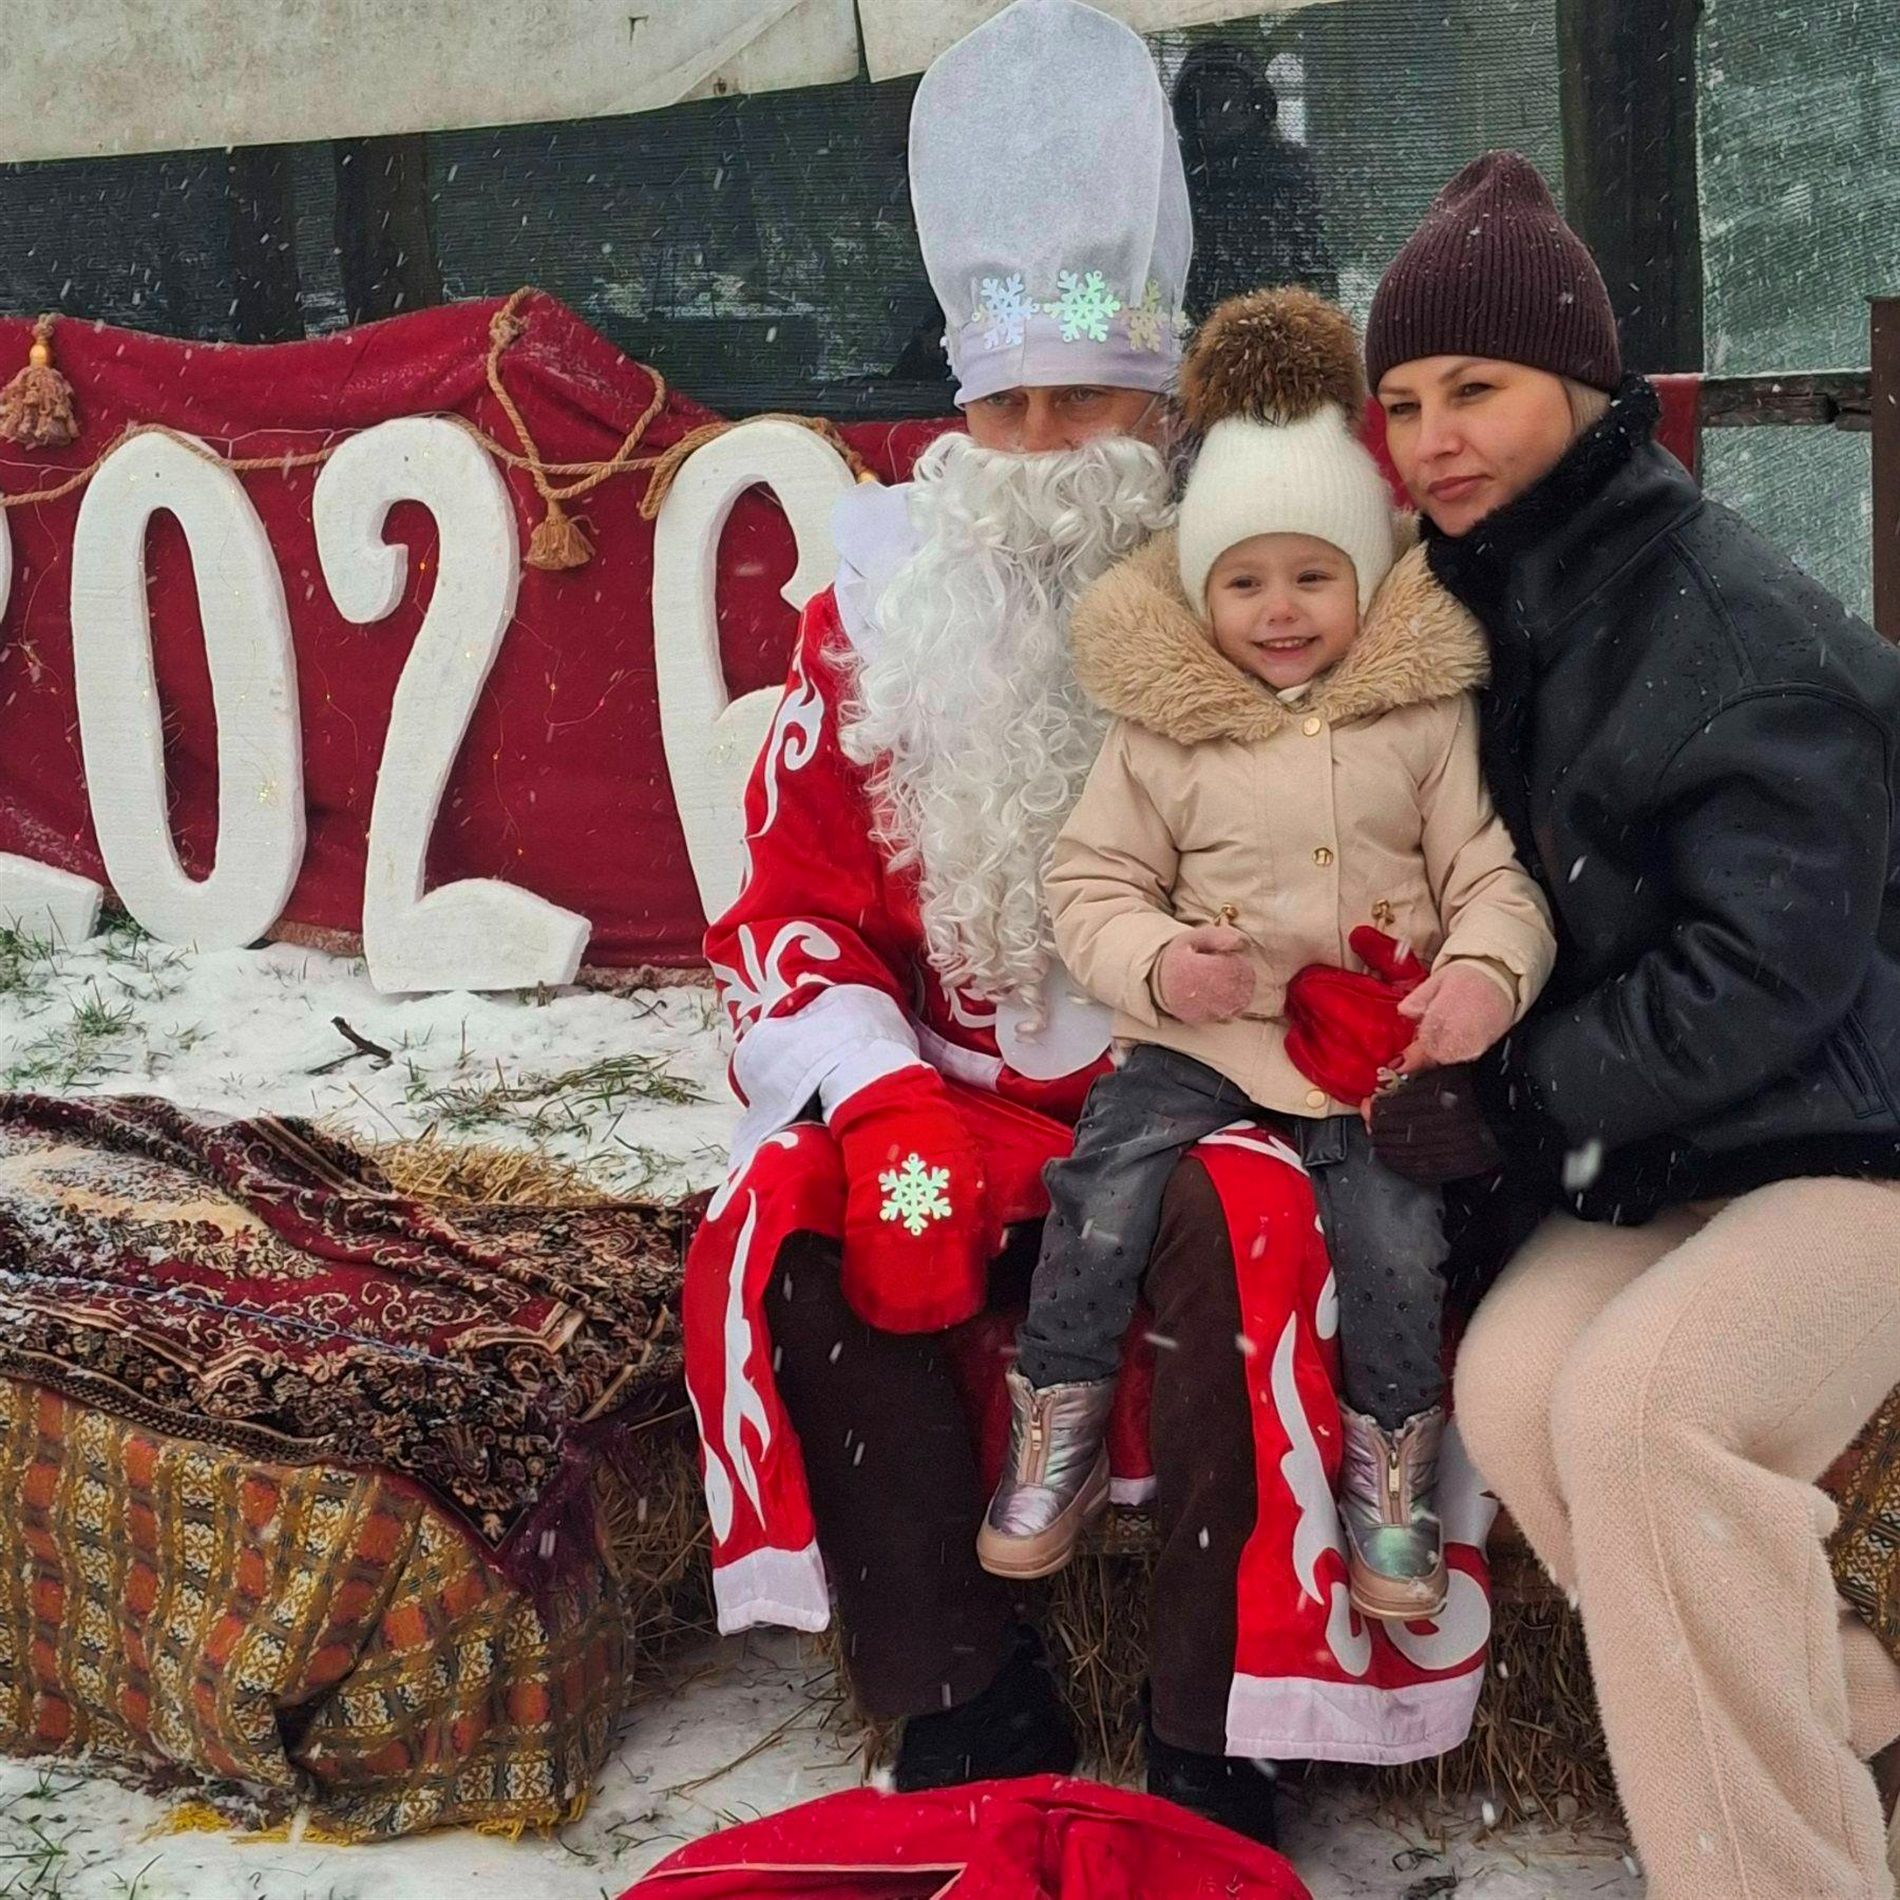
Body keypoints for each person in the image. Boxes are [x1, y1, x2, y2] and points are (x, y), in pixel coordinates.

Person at [682, 0, 1505, 1848]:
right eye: (1005, 408)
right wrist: (875, 1091)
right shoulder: (882, 608)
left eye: (1086, 405)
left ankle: (1219, 1736)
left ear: (1165, 407)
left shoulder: (1279, 589)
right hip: (958, 1117)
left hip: (1213, 1094)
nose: (1043, 450)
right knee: (797, 1220)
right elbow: (788, 916)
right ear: (958, 414)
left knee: (1250, 1222)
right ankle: (965, 1696)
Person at [1369, 150, 1900, 1899]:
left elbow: (1781, 965)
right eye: (1405, 401)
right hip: (1681, 1142)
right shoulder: (1480, 605)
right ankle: (1858, 1712)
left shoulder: (1724, 619)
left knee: (1644, 1418)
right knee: (1521, 1386)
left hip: (1853, 1128)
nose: (1435, 433)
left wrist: (1520, 1095)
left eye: (1480, 389)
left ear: (1589, 393)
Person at [975, 287, 1554, 1626]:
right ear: (1202, 592)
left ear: (1365, 580)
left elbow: (1491, 877)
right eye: (1245, 581)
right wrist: (1168, 964)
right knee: (1103, 1184)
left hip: (1368, 1043)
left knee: (1395, 1234)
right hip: (1207, 1035)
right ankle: (1052, 1426)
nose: (1280, 611)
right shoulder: (1164, 728)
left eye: (1312, 576)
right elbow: (1093, 879)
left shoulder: (1421, 718)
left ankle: (1390, 1475)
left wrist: (1482, 972)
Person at [1171, 41, 1334, 317]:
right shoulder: (1177, 172)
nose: (1217, 115)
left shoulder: (1286, 168)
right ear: (1189, 111)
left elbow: (1313, 258)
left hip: (1281, 325)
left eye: (1229, 101)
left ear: (1253, 106)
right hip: (1194, 330)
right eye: (1205, 103)